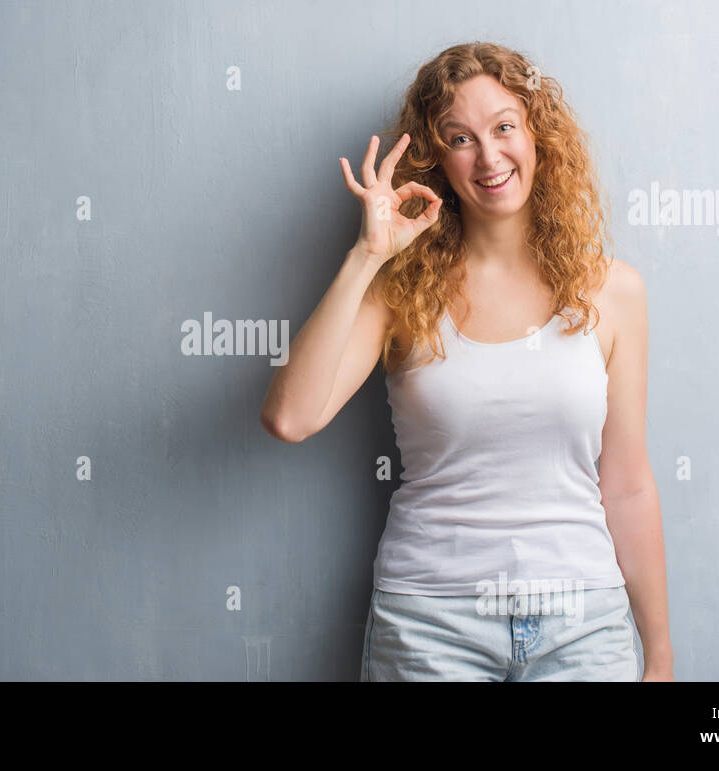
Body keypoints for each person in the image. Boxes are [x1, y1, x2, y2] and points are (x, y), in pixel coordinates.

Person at [259, 42, 672, 681]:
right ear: (437, 161)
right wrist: (367, 257)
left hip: (584, 624)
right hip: (431, 624)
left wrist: (661, 654)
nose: (488, 156)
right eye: (460, 138)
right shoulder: (400, 291)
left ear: (538, 135)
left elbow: (628, 484)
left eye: (504, 126)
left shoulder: (614, 292)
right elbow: (290, 418)